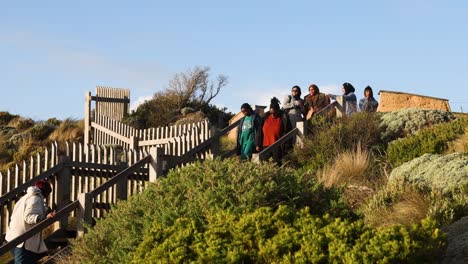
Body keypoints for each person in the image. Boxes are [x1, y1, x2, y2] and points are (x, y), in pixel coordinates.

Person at [6, 179, 56, 264]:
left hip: (13, 238)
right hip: (23, 241)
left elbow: (34, 209)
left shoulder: (26, 197)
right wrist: (44, 218)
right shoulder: (36, 198)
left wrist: (46, 210)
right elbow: (29, 217)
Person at [261, 97, 292, 163]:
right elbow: (259, 132)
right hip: (265, 146)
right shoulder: (265, 118)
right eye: (271, 112)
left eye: (274, 113)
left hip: (277, 146)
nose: (273, 114)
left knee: (277, 165)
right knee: (265, 165)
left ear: (278, 110)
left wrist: (286, 147)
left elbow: (288, 132)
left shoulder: (283, 118)